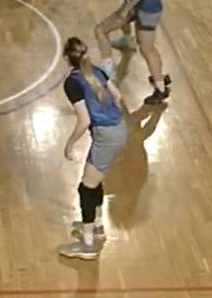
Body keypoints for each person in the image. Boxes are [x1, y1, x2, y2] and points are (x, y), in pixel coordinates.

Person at [57, 36, 128, 261]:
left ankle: (88, 245)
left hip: (106, 135)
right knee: (94, 180)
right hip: (118, 128)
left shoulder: (72, 82)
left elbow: (84, 120)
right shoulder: (96, 70)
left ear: (67, 58)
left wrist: (70, 143)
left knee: (85, 189)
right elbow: (118, 96)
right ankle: (96, 225)